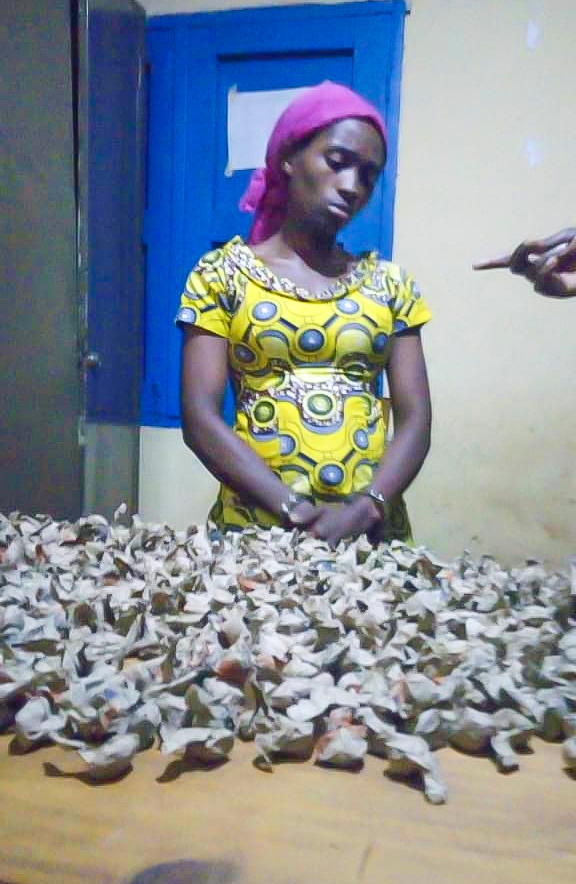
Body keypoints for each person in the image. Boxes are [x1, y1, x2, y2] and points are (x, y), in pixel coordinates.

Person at [176, 81, 432, 548]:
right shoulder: (221, 276)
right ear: (289, 158)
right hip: (257, 532)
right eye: (337, 162)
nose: (352, 186)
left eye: (368, 175)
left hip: (369, 534)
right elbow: (199, 417)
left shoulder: (391, 285)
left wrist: (366, 507)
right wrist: (292, 508)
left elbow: (415, 420)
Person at [474, 228, 576, 297]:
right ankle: (519, 263)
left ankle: (520, 264)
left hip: (550, 275)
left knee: (541, 263)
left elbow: (557, 286)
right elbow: (542, 247)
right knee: (537, 253)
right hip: (547, 263)